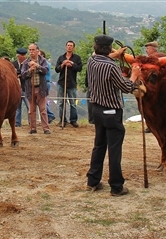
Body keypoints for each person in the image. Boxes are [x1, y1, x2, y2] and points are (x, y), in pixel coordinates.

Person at [86, 35, 139, 196]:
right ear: (109, 49)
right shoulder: (112, 66)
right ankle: (116, 186)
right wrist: (134, 74)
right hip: (111, 112)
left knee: (99, 145)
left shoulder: (91, 61)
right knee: (114, 149)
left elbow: (100, 56)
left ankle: (92, 181)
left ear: (96, 47)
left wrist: (116, 54)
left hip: (96, 110)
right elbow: (126, 86)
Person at [21, 43, 51, 134]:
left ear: (37, 50)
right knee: (31, 110)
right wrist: (30, 70)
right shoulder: (25, 62)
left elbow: (46, 71)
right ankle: (33, 128)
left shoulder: (43, 61)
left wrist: (37, 66)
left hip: (41, 88)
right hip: (30, 89)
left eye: (33, 50)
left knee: (43, 109)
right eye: (30, 50)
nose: (31, 52)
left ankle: (46, 128)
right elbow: (23, 75)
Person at [55, 40, 83, 128]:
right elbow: (57, 69)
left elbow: (79, 68)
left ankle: (73, 120)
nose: (69, 47)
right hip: (61, 83)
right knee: (60, 103)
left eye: (71, 45)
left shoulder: (77, 58)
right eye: (68, 45)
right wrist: (63, 65)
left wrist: (72, 64)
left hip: (72, 84)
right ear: (65, 47)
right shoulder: (61, 58)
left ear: (73, 47)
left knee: (73, 103)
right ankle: (63, 120)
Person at [13, 48, 30, 127]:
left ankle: (31, 122)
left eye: (24, 55)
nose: (23, 57)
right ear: (18, 56)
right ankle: (17, 123)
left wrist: (21, 75)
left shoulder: (28, 63)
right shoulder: (13, 64)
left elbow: (28, 74)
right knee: (17, 107)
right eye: (21, 55)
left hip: (26, 87)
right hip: (16, 88)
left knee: (29, 106)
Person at [41, 51, 56, 124]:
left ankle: (50, 114)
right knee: (42, 100)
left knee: (42, 100)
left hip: (45, 83)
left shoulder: (46, 64)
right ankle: (49, 115)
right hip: (44, 83)